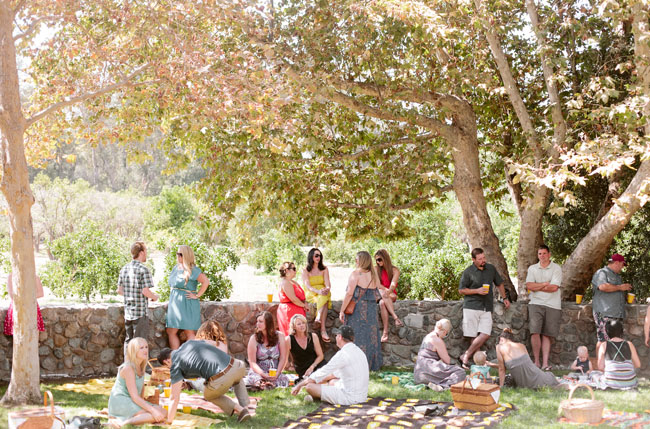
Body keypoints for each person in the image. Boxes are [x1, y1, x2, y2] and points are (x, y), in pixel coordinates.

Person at [157, 338, 251, 424]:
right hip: (238, 365)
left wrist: (169, 421)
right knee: (236, 378)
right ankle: (246, 408)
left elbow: (174, 397)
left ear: (166, 361)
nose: (168, 368)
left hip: (223, 376)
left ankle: (240, 410)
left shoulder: (175, 365)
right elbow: (213, 343)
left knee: (208, 395)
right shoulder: (189, 343)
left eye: (166, 366)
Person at [458, 248, 510, 368]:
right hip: (471, 306)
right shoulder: (468, 272)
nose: (483, 260)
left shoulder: (490, 269)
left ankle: (465, 355)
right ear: (473, 260)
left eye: (484, 257)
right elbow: (461, 290)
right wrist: (477, 290)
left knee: (485, 334)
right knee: (473, 336)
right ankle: (479, 363)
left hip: (487, 307)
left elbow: (499, 283)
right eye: (480, 259)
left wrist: (505, 298)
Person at [291, 325, 369, 405]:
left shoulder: (343, 354)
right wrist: (317, 380)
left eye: (336, 335)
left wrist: (299, 385)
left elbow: (323, 372)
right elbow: (333, 375)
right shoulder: (359, 351)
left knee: (310, 387)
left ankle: (316, 397)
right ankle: (320, 395)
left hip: (350, 398)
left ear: (340, 337)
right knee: (332, 382)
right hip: (362, 396)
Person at [339, 251, 382, 371]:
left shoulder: (356, 274)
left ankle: (356, 365)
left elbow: (349, 294)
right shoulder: (373, 274)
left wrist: (342, 310)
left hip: (358, 311)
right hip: (372, 310)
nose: (355, 261)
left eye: (356, 259)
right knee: (371, 336)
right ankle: (371, 365)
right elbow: (379, 289)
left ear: (361, 260)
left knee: (356, 336)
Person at [108, 338, 166, 427]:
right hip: (121, 401)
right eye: (141, 348)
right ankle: (123, 423)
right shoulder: (129, 368)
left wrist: (146, 407)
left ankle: (133, 419)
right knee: (155, 413)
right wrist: (152, 410)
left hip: (132, 400)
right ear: (134, 351)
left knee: (163, 411)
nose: (145, 350)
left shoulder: (141, 366)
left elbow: (141, 391)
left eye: (146, 347)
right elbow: (135, 396)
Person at [525, 244, 563, 370]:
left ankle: (545, 363)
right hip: (535, 303)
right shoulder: (532, 268)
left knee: (547, 334)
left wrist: (538, 286)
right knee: (535, 332)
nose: (542, 256)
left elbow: (554, 288)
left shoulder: (556, 268)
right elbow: (529, 286)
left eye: (544, 253)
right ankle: (536, 362)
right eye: (540, 254)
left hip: (553, 305)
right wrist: (544, 284)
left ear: (549, 254)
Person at [166, 245, 210, 350]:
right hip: (175, 303)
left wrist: (197, 295)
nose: (178, 256)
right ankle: (175, 358)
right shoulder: (176, 268)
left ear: (186, 255)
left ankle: (191, 359)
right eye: (177, 254)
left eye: (180, 254)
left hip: (187, 302)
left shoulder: (193, 270)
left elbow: (206, 282)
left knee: (189, 331)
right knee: (171, 330)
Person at [118, 241, 159, 352]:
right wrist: (155, 297)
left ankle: (127, 368)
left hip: (128, 312)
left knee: (129, 342)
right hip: (140, 312)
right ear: (141, 252)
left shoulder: (124, 269)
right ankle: (139, 369)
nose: (146, 254)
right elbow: (145, 291)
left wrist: (131, 295)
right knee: (140, 343)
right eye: (146, 251)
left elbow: (119, 290)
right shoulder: (143, 270)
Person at [591, 253, 632, 349]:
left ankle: (610, 363)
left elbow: (617, 291)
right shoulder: (601, 273)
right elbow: (603, 287)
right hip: (604, 313)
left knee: (614, 341)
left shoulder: (618, 276)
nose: (622, 268)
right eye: (622, 265)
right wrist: (620, 287)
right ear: (617, 263)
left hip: (616, 314)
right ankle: (600, 363)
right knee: (602, 340)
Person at [413, 319, 466, 391]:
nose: (445, 335)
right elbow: (447, 361)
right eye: (446, 334)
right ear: (444, 332)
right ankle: (443, 386)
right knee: (460, 372)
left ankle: (432, 383)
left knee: (445, 369)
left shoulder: (428, 336)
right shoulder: (437, 340)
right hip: (428, 370)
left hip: (418, 374)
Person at [244, 311, 289, 388]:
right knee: (257, 379)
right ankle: (262, 384)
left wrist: (278, 373)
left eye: (261, 322)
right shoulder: (254, 338)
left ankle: (266, 384)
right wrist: (263, 374)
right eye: (257, 321)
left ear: (268, 323)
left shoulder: (280, 336)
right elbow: (252, 362)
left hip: (274, 371)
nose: (257, 324)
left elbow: (283, 358)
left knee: (283, 380)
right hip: (259, 371)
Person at [596, 319, 640, 390]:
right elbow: (638, 364)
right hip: (630, 382)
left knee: (594, 375)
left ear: (607, 332)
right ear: (621, 331)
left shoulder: (604, 345)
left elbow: (600, 367)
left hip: (610, 383)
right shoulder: (629, 344)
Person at [302, 248, 332, 342]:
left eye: (320, 255)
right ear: (311, 256)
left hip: (322, 292)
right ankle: (323, 330)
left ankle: (318, 318)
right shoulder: (305, 270)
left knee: (324, 296)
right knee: (324, 302)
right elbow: (308, 286)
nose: (318, 257)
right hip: (311, 292)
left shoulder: (324, 269)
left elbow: (327, 283)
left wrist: (326, 289)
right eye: (316, 255)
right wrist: (318, 291)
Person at [374, 249, 403, 343]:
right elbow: (378, 285)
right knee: (382, 299)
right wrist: (385, 292)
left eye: (379, 259)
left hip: (390, 294)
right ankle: (395, 319)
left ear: (385, 258)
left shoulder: (394, 270)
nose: (378, 262)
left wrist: (388, 291)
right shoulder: (375, 269)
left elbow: (393, 284)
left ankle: (385, 333)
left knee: (382, 303)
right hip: (380, 293)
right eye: (376, 260)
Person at [286, 314, 326, 381]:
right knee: (315, 380)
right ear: (294, 327)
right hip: (303, 369)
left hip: (316, 364)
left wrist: (312, 367)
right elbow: (284, 358)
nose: (302, 325)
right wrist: (288, 367)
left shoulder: (313, 336)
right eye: (299, 324)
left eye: (303, 323)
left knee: (328, 375)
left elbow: (321, 356)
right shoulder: (289, 339)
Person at [277, 262, 308, 336]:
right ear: (287, 270)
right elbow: (293, 298)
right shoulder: (285, 283)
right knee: (290, 334)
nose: (295, 271)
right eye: (293, 269)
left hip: (297, 310)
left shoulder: (293, 282)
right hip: (289, 312)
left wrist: (304, 302)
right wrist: (304, 305)